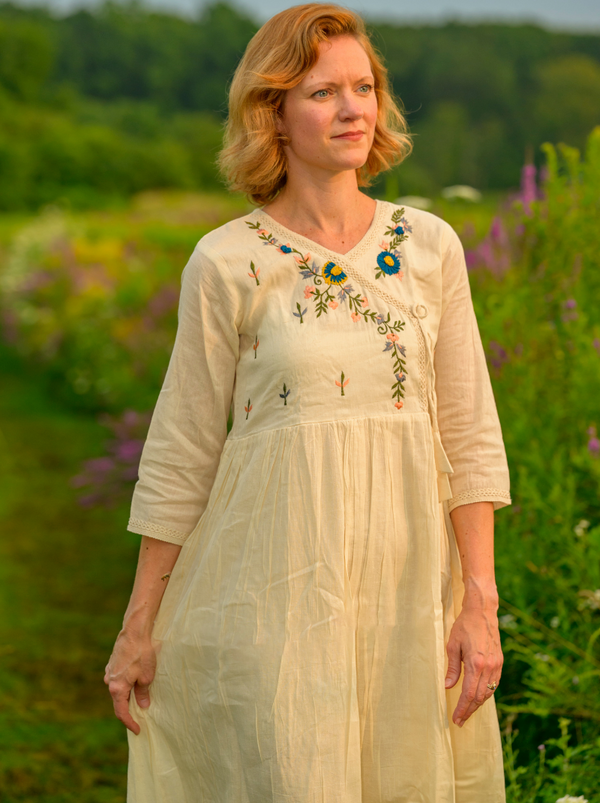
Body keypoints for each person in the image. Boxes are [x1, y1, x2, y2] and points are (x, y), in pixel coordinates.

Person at [104, 4, 512, 801]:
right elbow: (183, 446)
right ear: (275, 113)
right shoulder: (226, 262)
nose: (354, 108)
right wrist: (139, 620)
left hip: (409, 601)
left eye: (364, 87)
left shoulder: (429, 247)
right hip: (274, 593)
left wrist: (480, 601)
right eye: (324, 92)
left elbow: (468, 433)